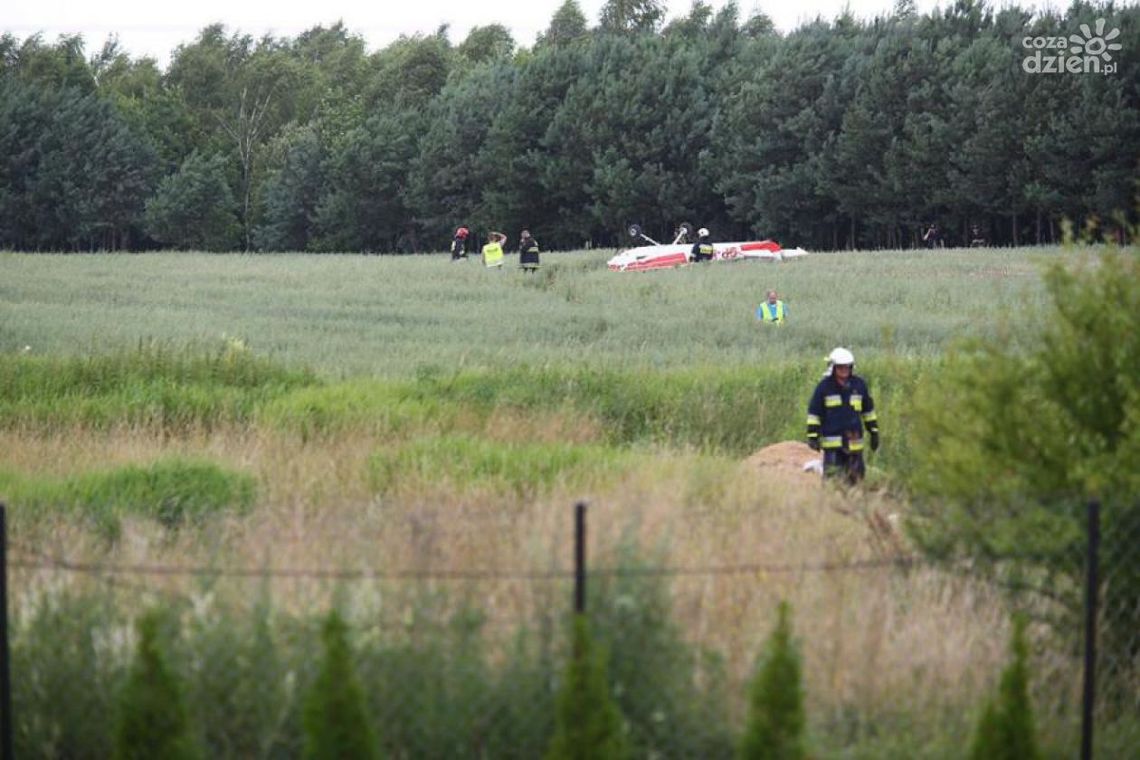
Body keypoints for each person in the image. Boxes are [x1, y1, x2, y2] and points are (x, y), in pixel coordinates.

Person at [806, 347, 880, 485]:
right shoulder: (824, 387)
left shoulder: (859, 385)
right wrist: (813, 436)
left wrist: (874, 432)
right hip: (833, 447)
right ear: (833, 367)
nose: (844, 370)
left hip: (854, 446)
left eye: (847, 366)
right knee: (833, 482)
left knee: (856, 482)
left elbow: (868, 412)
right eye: (840, 367)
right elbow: (814, 413)